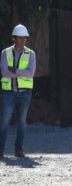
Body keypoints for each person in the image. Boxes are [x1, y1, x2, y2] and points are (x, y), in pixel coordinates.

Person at [0, 24, 36, 158]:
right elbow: (4, 72)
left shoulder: (31, 54)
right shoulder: (5, 53)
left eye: (24, 38)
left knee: (22, 121)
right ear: (13, 38)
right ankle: (1, 149)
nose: (23, 40)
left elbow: (31, 73)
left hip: (25, 93)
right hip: (8, 92)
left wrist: (14, 70)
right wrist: (22, 72)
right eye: (20, 38)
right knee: (5, 121)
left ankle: (18, 149)